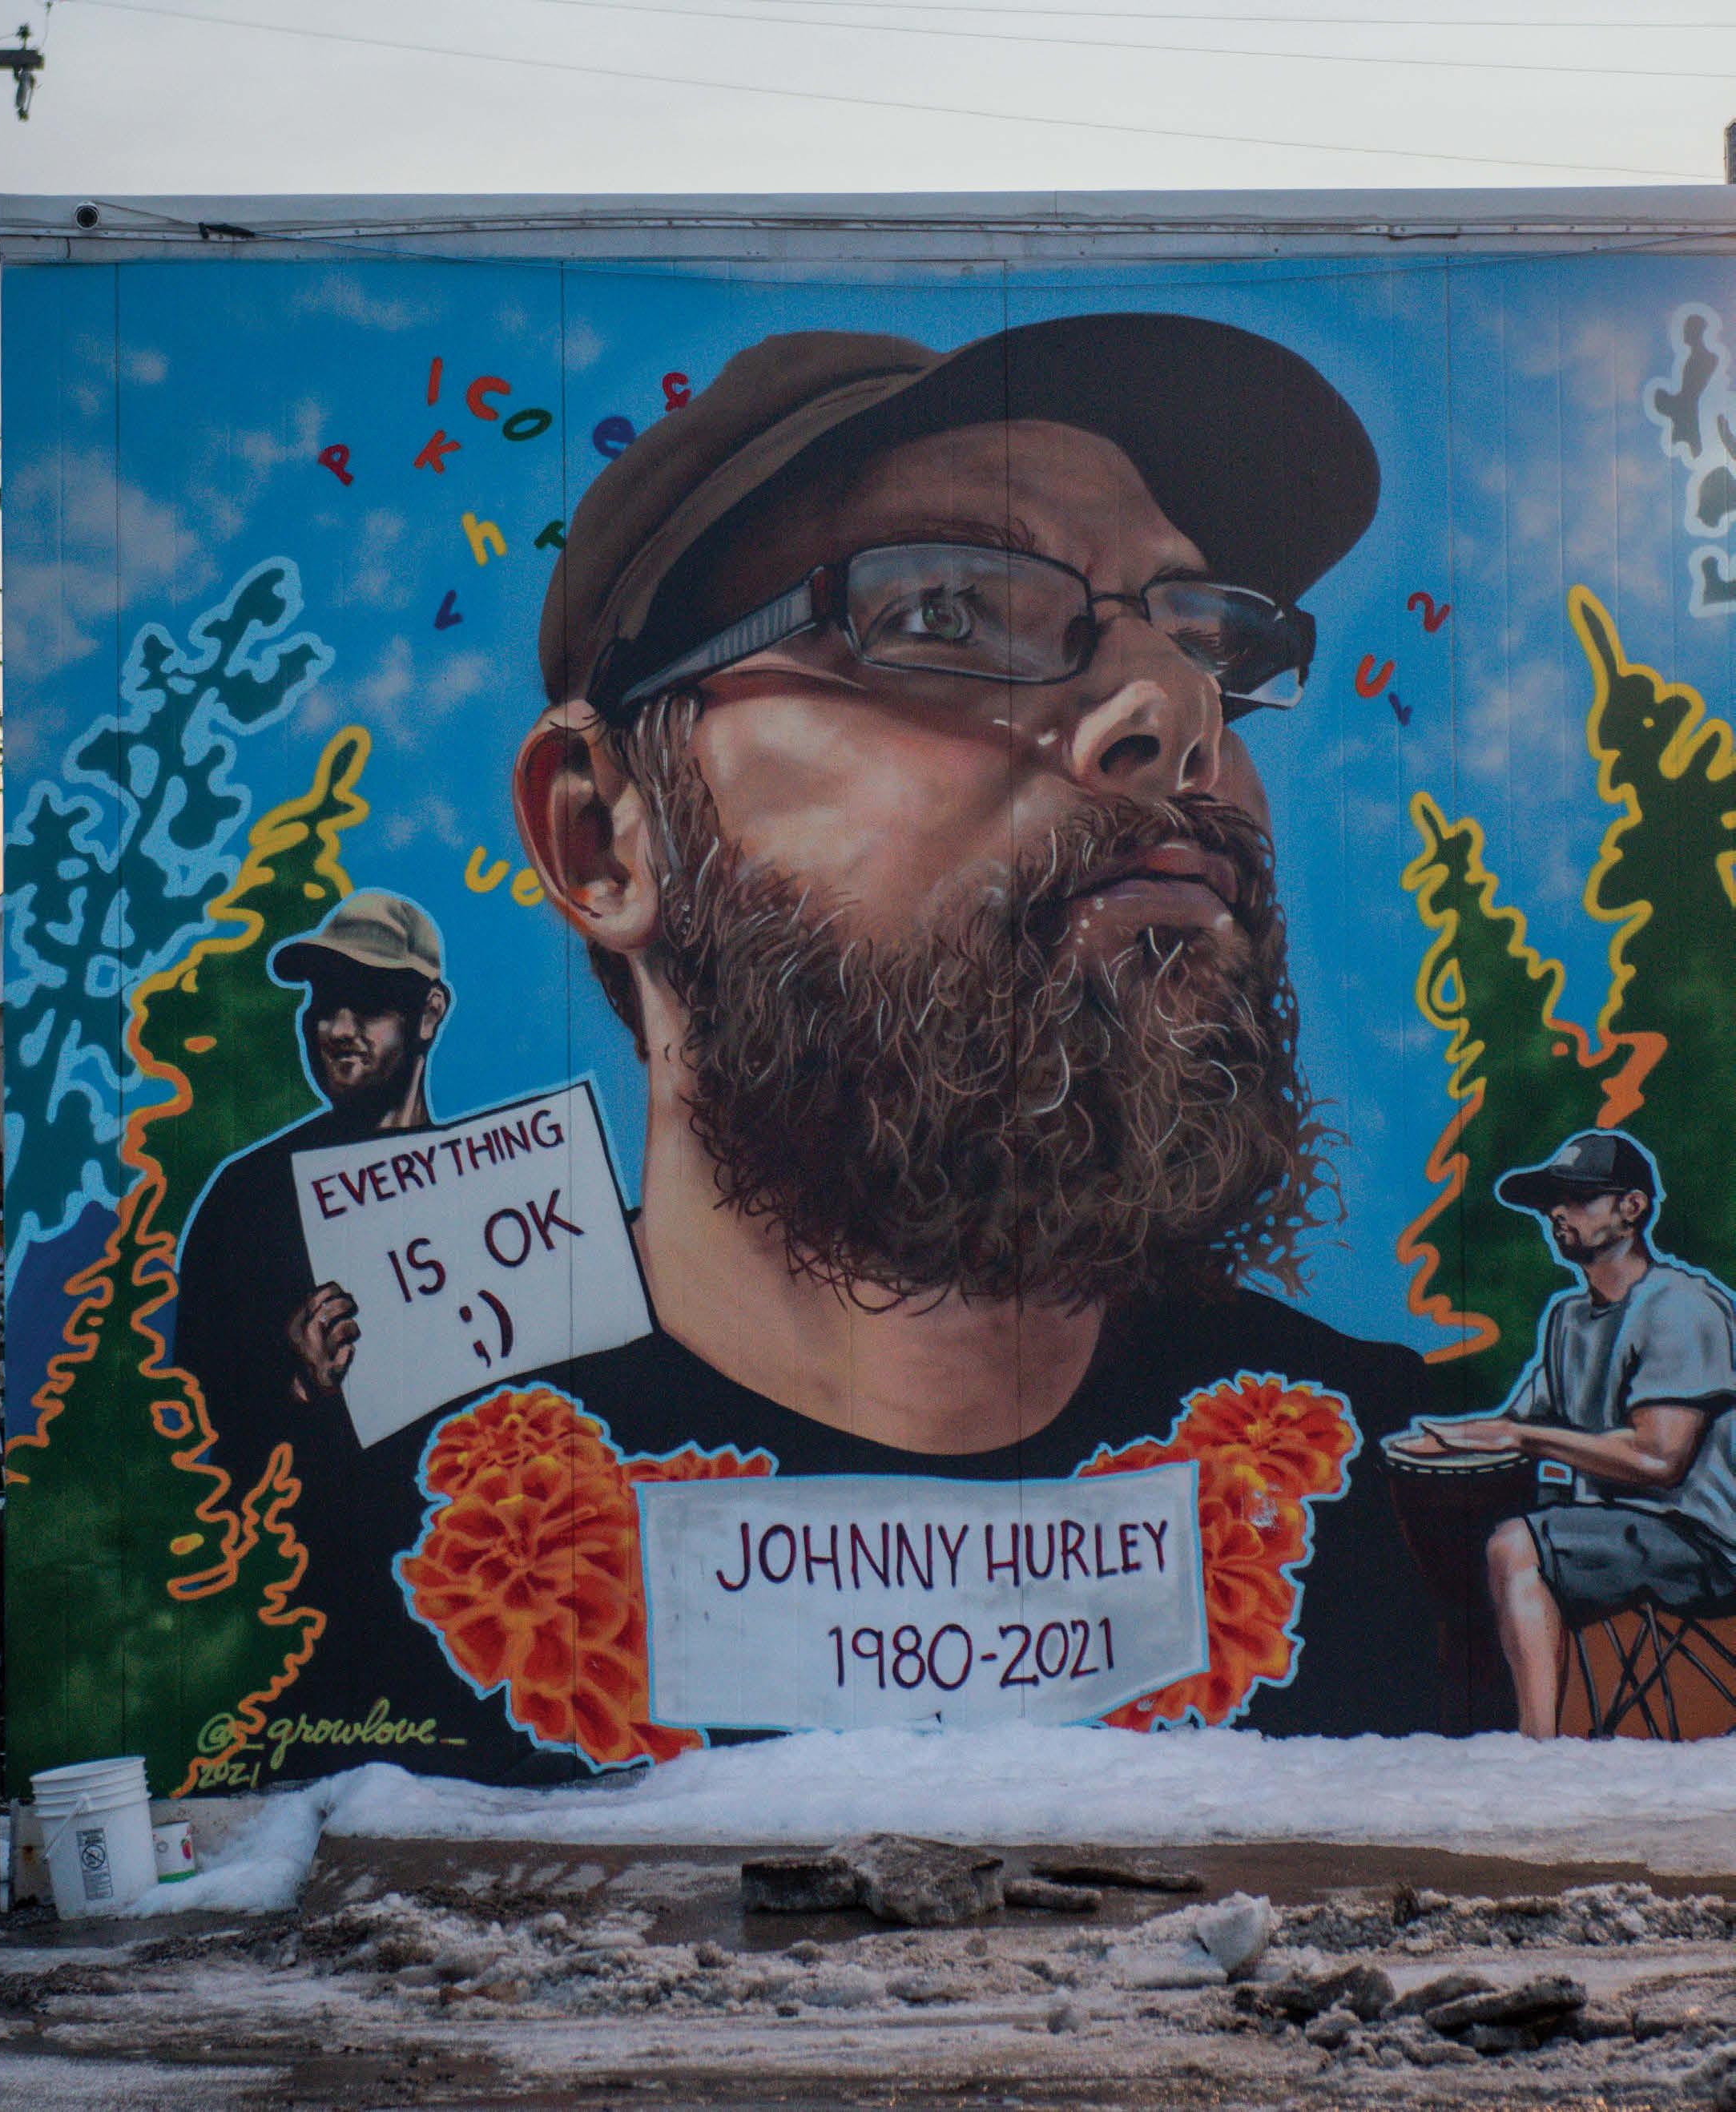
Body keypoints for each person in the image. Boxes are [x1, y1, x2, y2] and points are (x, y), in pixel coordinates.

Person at [474, 311, 1442, 1741]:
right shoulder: (355, 1536)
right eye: (941, 614)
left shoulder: (1406, 1507)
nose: (1175, 710)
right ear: (601, 838)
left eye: (1203, 644)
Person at [172, 890, 450, 1698]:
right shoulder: (247, 1200)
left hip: (470, 1603)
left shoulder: (489, 1192)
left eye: (370, 1003)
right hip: (302, 1621)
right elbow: (189, 1446)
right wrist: (293, 1386)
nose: (336, 1026)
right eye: (324, 1002)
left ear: (428, 1014)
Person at [1428, 1131, 1736, 1737]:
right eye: (1551, 1202)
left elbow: (1659, 1459)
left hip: (1704, 1544)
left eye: (1578, 1199)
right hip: (1618, 1533)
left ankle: (1539, 1751)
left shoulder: (1681, 1306)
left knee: (1515, 1545)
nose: (1557, 1214)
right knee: (1480, 1530)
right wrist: (1428, 1446)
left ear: (1632, 1207)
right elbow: (1517, 1423)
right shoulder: (1568, 1319)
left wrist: (1524, 1439)